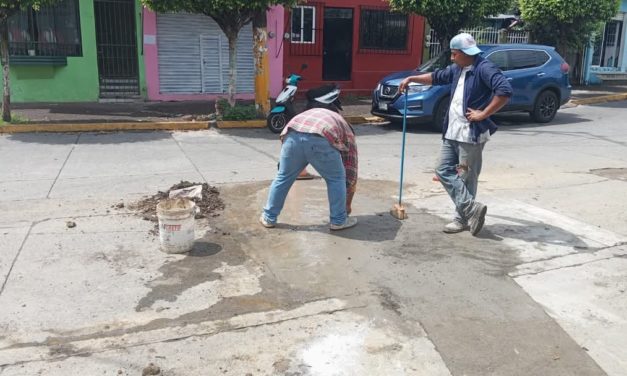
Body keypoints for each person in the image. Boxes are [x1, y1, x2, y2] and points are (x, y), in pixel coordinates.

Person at [399, 33, 513, 236]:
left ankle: (461, 219)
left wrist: (484, 113)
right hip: (451, 132)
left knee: (467, 176)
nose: (451, 58)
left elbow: (504, 91)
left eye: (454, 54)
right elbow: (435, 77)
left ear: (465, 53)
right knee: (442, 169)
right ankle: (471, 209)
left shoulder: (484, 68)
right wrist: (411, 78)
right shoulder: (457, 69)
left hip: (470, 135)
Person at [260, 105, 358, 231]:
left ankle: (269, 218)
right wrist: (347, 204)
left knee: (283, 177)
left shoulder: (314, 113)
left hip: (291, 135)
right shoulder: (346, 130)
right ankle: (338, 221)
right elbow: (351, 167)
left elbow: (286, 137)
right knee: (336, 179)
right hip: (321, 138)